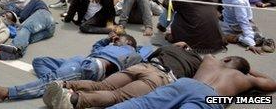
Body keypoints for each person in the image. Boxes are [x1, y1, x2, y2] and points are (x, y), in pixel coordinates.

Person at [0, 33, 148, 102]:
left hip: (92, 67)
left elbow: (144, 56)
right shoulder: (110, 45)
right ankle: (58, 84)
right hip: (82, 60)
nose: (116, 40)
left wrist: (134, 47)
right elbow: (94, 48)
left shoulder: (131, 52)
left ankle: (8, 93)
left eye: (120, 39)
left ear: (128, 43)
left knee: (52, 77)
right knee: (39, 62)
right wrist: (106, 40)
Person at [45, 42, 203, 109]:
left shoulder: (171, 48)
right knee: (116, 96)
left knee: (102, 85)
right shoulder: (197, 63)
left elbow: (150, 55)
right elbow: (191, 84)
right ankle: (74, 100)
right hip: (160, 77)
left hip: (143, 66)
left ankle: (64, 84)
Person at [104, 54, 276, 109]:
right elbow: (271, 83)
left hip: (185, 84)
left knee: (143, 104)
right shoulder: (245, 78)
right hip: (212, 97)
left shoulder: (210, 59)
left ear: (227, 59)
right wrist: (248, 70)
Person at [157, 0, 225, 53]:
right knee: (177, 7)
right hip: (215, 43)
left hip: (192, 43)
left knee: (170, 6)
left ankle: (162, 26)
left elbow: (166, 4)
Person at [207, 0, 272, 54]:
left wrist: (251, 44)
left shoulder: (237, 0)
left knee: (210, 32)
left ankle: (247, 38)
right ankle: (251, 36)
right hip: (227, 19)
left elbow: (242, 20)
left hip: (236, 24)